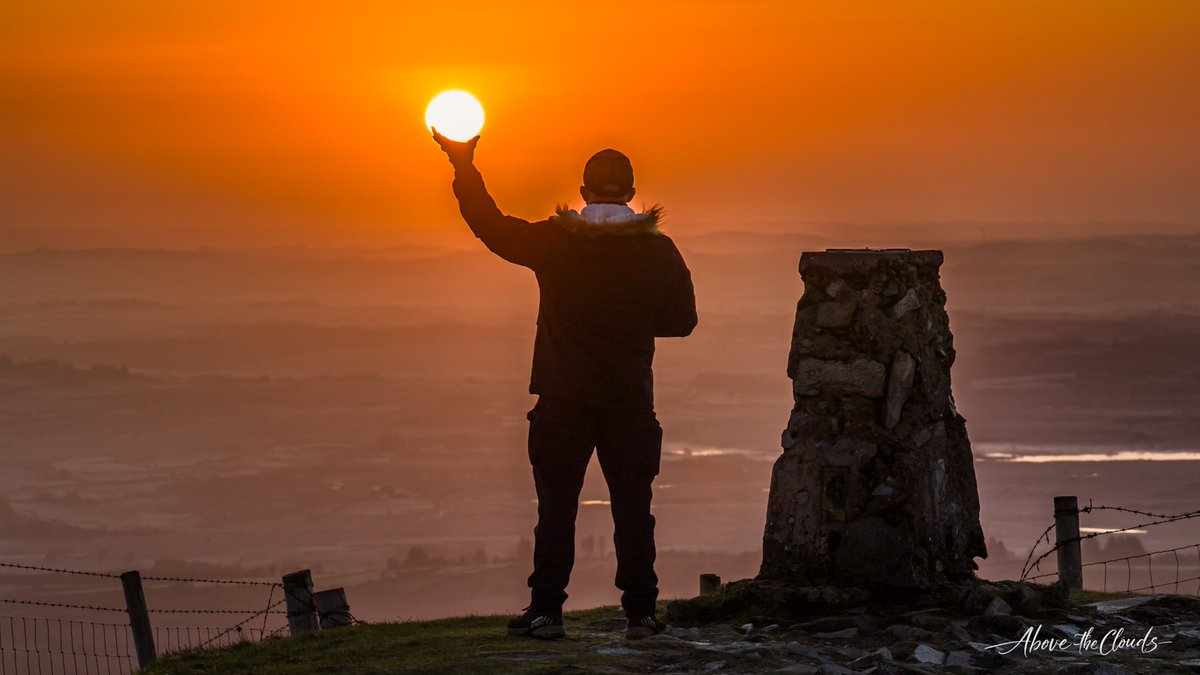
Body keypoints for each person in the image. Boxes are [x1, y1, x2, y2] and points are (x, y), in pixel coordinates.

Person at [432, 129, 697, 640]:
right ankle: (642, 614)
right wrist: (632, 324)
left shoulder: (555, 243)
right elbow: (683, 321)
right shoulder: (659, 251)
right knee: (634, 511)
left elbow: (490, 226)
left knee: (556, 511)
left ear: (583, 192)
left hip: (562, 400)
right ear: (632, 192)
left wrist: (463, 165)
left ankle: (546, 612)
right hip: (629, 401)